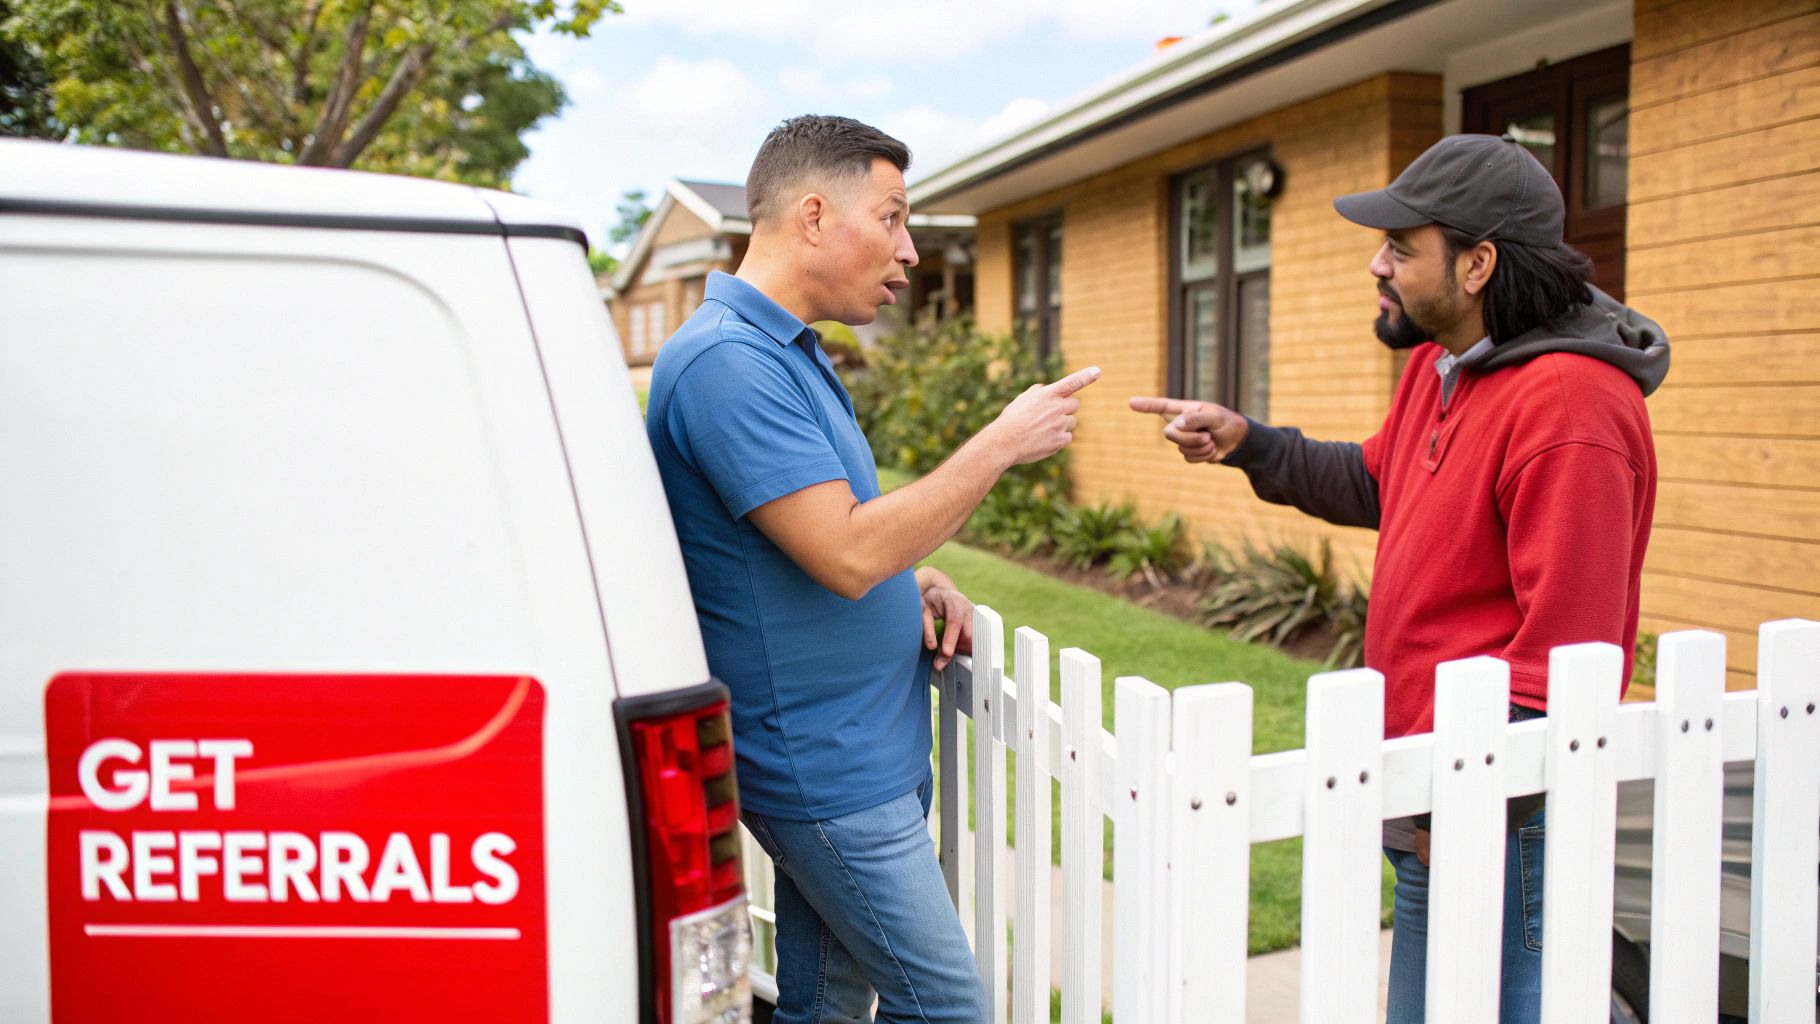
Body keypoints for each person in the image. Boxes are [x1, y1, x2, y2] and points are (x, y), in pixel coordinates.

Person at [1129, 133, 1668, 1023]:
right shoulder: (1442, 363)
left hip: (1499, 811)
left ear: (1477, 264)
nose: (1376, 265)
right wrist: (1250, 442)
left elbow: (1559, 666)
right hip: (1432, 791)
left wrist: (1451, 816)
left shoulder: (1571, 406)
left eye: (1400, 248)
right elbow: (1381, 482)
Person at [646, 114, 1098, 1023]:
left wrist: (914, 581)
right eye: (892, 218)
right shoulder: (726, 364)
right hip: (823, 772)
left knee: (826, 1002)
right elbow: (849, 554)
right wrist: (1000, 445)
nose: (910, 252)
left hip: (859, 754)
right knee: (948, 1009)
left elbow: (829, 539)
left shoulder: (790, 351)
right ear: (814, 215)